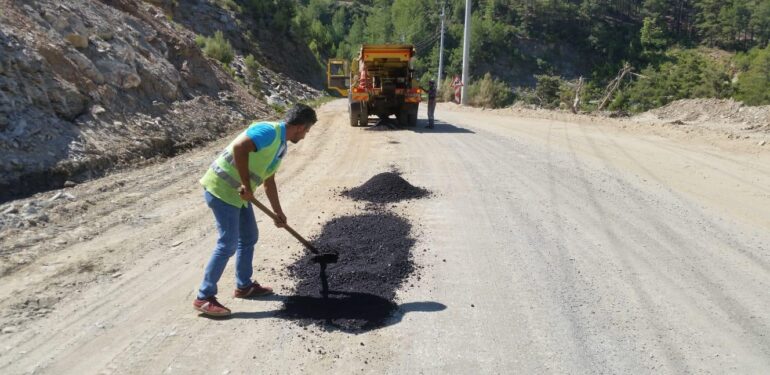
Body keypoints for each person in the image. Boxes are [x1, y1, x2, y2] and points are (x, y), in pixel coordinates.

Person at [193, 104, 317, 317]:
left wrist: (279, 213)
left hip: (237, 194)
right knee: (227, 243)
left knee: (249, 237)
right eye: (307, 130)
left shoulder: (281, 145)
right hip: (222, 189)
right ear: (300, 127)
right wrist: (247, 185)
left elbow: (269, 181)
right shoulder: (268, 131)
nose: (306, 135)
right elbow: (240, 147)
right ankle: (204, 297)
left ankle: (244, 286)